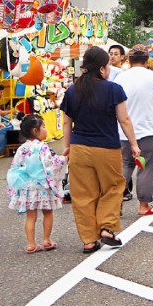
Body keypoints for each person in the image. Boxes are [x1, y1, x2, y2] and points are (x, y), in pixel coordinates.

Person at [61, 46, 140, 253]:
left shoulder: (72, 90)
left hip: (79, 147)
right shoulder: (113, 89)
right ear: (103, 68)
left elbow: (67, 123)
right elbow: (124, 119)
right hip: (107, 147)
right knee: (113, 187)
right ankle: (106, 227)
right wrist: (133, 144)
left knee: (83, 193)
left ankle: (88, 240)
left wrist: (67, 147)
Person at [114, 46, 153, 216]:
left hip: (123, 130)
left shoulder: (120, 77)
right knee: (145, 166)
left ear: (129, 61)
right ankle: (143, 205)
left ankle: (116, 204)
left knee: (125, 165)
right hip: (147, 130)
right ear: (147, 61)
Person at [6, 114, 67, 253]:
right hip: (42, 186)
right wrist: (64, 158)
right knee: (48, 212)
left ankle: (31, 243)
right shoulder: (43, 148)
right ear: (35, 130)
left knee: (31, 216)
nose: (46, 129)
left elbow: (15, 166)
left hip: (28, 187)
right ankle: (46, 240)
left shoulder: (21, 148)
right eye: (44, 127)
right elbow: (51, 164)